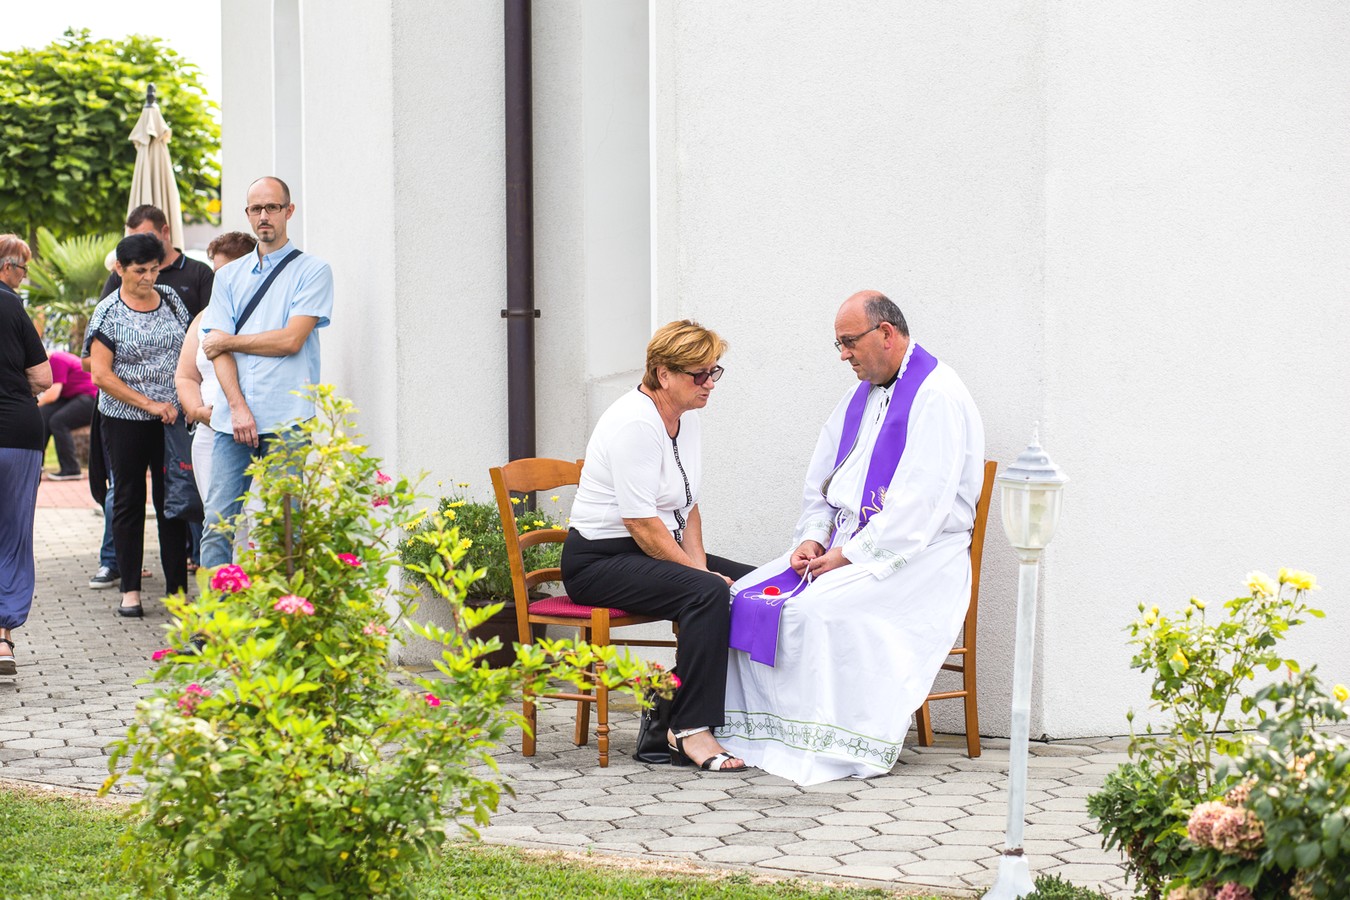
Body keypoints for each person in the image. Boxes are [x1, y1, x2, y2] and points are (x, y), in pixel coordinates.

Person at [719, 291, 985, 785]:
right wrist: (814, 538)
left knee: (817, 612)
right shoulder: (859, 396)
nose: (843, 355)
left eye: (848, 342)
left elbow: (920, 506)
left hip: (916, 557)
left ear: (886, 333)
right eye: (838, 345)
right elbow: (823, 481)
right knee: (740, 596)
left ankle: (831, 745)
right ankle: (763, 737)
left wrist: (853, 554)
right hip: (844, 546)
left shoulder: (938, 395)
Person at [561, 320, 754, 772]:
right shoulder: (634, 422)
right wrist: (700, 577)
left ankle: (676, 703)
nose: (709, 384)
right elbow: (641, 523)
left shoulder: (686, 421)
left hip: (648, 548)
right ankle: (688, 729)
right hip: (599, 561)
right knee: (706, 591)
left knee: (756, 583)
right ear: (663, 373)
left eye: (714, 372)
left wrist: (699, 566)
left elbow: (689, 507)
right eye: (698, 374)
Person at [198, 177, 333, 570]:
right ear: (248, 215)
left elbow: (291, 340)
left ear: (289, 211)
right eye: (256, 209)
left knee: (284, 529)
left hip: (288, 419)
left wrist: (230, 341)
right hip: (231, 421)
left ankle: (285, 622)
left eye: (272, 207)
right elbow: (213, 348)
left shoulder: (313, 271)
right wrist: (237, 407)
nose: (264, 216)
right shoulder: (226, 277)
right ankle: (215, 627)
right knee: (217, 524)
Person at [84, 233, 191, 616]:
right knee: (129, 499)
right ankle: (130, 590)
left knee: (172, 502)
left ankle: (178, 591)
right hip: (126, 419)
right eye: (139, 271)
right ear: (120, 269)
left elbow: (189, 349)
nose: (148, 278)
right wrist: (149, 403)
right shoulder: (108, 312)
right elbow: (100, 374)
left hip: (173, 420)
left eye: (154, 269)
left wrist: (185, 400)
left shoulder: (173, 301)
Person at [175, 232, 257, 519]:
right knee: (219, 521)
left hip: (256, 433)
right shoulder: (204, 317)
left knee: (258, 520)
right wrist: (197, 410)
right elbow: (186, 376)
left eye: (225, 273)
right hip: (209, 433)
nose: (217, 281)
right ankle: (224, 568)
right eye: (215, 273)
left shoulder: (264, 315)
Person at [0, 235, 52, 674]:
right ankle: (2, 640)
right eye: (22, 270)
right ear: (6, 267)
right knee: (13, 536)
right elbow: (44, 377)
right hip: (16, 432)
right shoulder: (13, 308)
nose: (23, 278)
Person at [101, 204, 215, 317]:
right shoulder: (124, 274)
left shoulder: (200, 273)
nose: (148, 277)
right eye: (133, 240)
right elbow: (99, 319)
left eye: (146, 238)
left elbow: (211, 321)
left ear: (165, 232)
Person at [37, 350, 97, 480]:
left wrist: (32, 407)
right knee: (43, 415)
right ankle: (36, 465)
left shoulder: (57, 359)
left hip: (90, 399)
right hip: (74, 397)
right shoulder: (56, 358)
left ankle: (71, 469)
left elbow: (53, 395)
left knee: (58, 422)